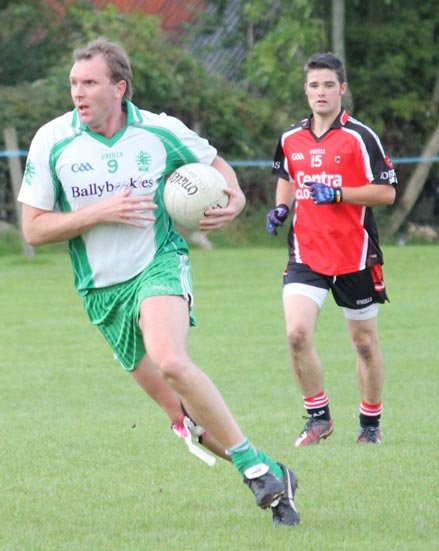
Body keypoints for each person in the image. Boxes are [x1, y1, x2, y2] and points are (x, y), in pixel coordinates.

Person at [18, 37, 299, 526]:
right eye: (73, 84)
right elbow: (34, 228)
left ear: (119, 88)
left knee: (171, 359)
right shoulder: (52, 141)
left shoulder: (159, 131)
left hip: (158, 262)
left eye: (89, 83)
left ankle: (257, 475)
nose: (78, 93)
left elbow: (217, 169)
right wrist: (101, 212)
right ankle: (271, 472)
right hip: (102, 292)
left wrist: (234, 198)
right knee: (186, 421)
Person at [266, 52, 397, 446]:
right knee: (296, 335)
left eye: (328, 85)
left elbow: (387, 192)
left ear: (342, 89)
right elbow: (288, 176)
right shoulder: (291, 137)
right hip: (306, 254)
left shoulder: (360, 136)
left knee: (363, 344)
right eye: (313, 85)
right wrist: (282, 207)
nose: (320, 92)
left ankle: (370, 424)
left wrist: (340, 193)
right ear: (305, 90)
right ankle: (318, 417)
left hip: (354, 256)